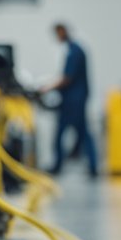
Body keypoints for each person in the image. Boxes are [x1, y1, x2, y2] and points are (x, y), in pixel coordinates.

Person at [43, 23, 98, 177]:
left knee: (63, 132)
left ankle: (58, 165)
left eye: (57, 34)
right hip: (76, 99)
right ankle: (93, 166)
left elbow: (67, 78)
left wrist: (48, 87)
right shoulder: (76, 49)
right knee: (83, 133)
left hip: (72, 101)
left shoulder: (74, 52)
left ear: (63, 32)